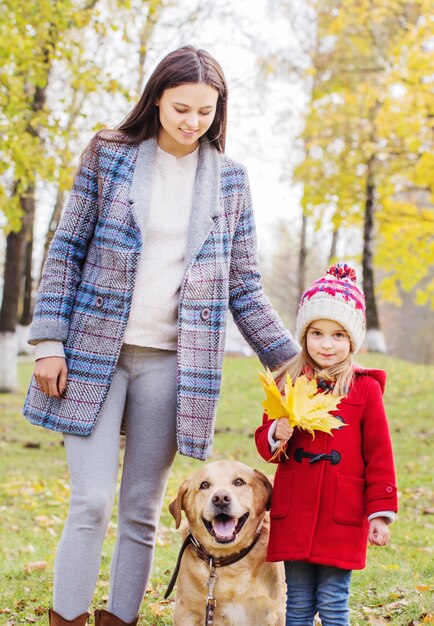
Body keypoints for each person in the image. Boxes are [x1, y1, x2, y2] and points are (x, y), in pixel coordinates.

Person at [23, 46, 299, 626]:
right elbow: (66, 250)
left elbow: (243, 284)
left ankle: (120, 619)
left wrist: (287, 357)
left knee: (142, 510)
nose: (192, 121)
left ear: (218, 112)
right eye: (181, 108)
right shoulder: (110, 154)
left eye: (205, 111)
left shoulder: (229, 180)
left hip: (174, 366)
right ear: (156, 100)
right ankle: (68, 618)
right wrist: (48, 341)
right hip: (92, 354)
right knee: (91, 501)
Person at [255, 263, 398, 626]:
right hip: (296, 512)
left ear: (353, 339)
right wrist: (277, 432)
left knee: (334, 601)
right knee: (299, 602)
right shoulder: (288, 381)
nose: (326, 344)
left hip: (342, 514)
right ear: (304, 335)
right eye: (317, 333)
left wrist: (379, 512)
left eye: (338, 335)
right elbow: (266, 444)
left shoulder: (364, 389)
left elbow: (379, 454)